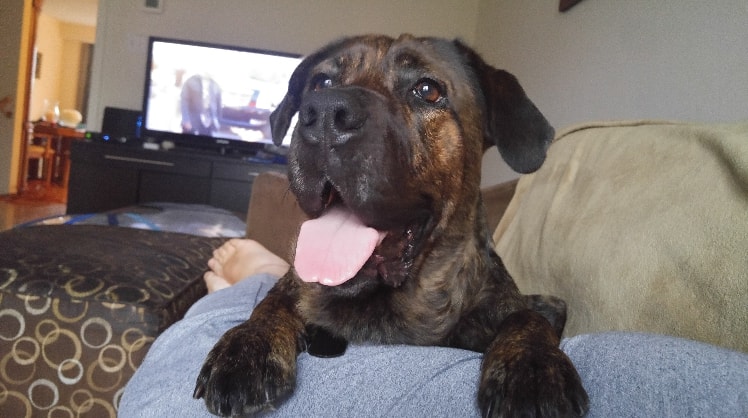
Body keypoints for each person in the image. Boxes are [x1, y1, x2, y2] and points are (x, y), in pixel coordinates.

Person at [120, 240, 748, 417]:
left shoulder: (471, 273)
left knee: (172, 401)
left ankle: (260, 283)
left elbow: (537, 310)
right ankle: (267, 285)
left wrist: (525, 335)